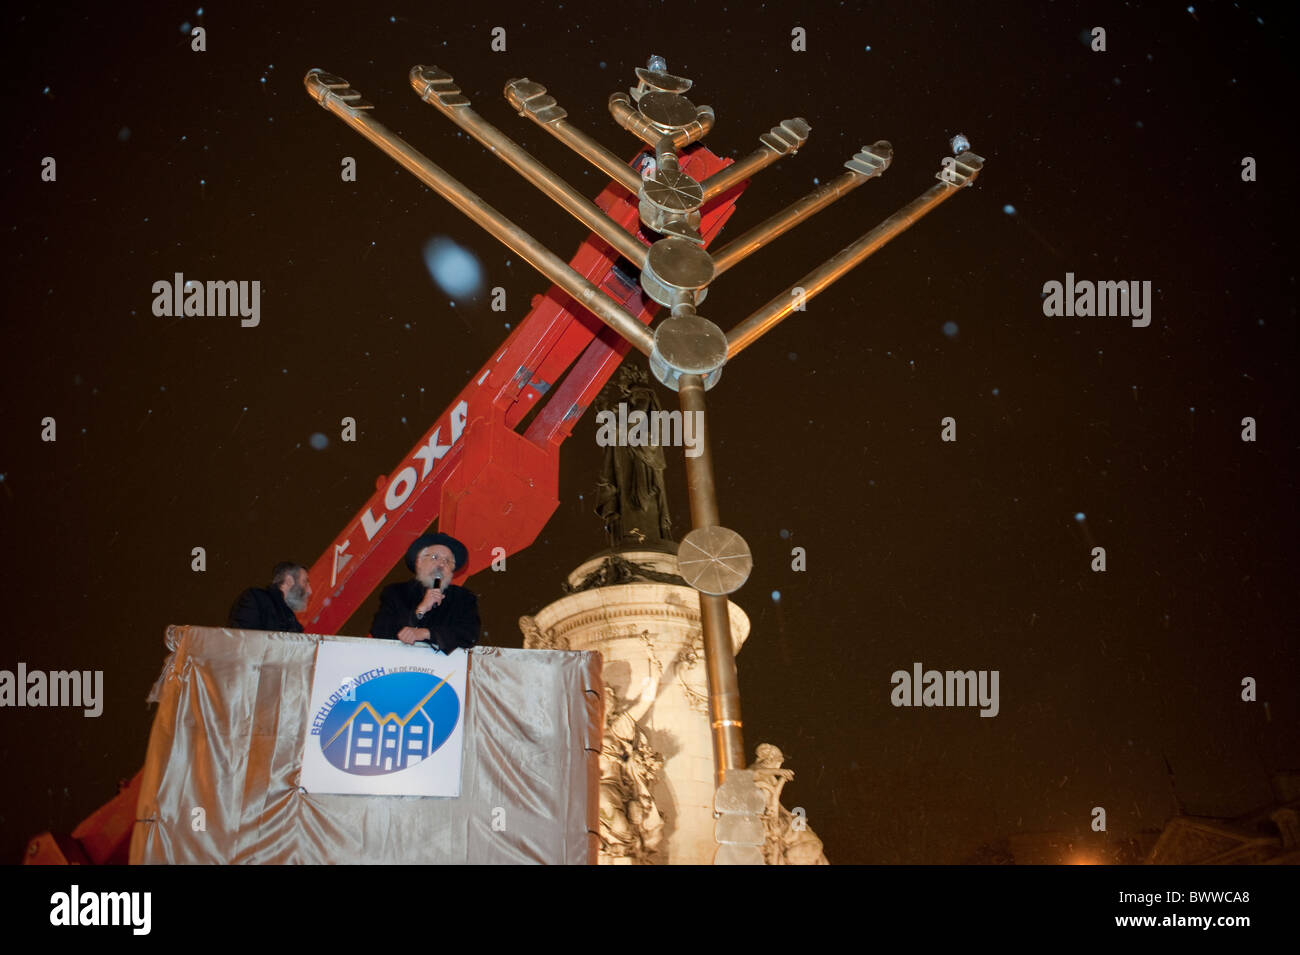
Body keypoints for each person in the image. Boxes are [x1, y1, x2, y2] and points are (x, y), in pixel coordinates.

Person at [370, 532, 480, 653]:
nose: (442, 564)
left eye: (448, 561)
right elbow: (380, 630)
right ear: (419, 562)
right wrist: (420, 610)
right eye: (435, 557)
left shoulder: (463, 598)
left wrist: (426, 633)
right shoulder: (396, 592)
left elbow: (470, 635)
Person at [227, 562, 311, 632]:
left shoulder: (292, 620)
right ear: (289, 581)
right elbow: (243, 641)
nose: (309, 591)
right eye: (305, 582)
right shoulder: (255, 600)